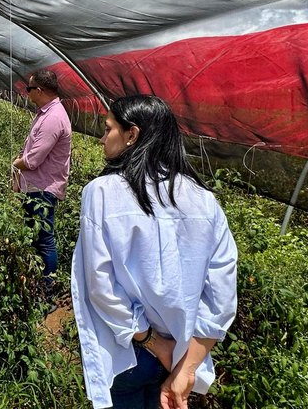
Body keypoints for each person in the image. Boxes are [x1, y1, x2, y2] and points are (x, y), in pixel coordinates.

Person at [70, 95, 238, 409]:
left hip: (128, 351)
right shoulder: (205, 201)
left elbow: (101, 285)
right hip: (182, 354)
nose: (102, 139)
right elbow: (222, 296)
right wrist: (187, 367)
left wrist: (153, 342)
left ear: (131, 135)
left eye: (108, 129)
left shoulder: (102, 192)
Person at [13, 68, 72, 284]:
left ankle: (48, 288)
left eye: (29, 89)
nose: (27, 93)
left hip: (42, 189)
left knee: (44, 240)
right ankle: (39, 282)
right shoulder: (46, 113)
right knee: (36, 237)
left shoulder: (53, 118)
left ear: (39, 90)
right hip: (36, 186)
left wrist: (14, 164)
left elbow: (32, 161)